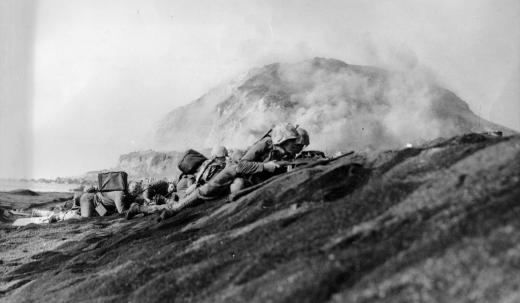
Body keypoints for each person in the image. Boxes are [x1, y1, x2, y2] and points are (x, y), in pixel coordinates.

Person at [126, 123, 307, 220]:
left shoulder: (278, 151)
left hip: (235, 180)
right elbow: (241, 166)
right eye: (293, 143)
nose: (295, 148)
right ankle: (143, 208)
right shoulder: (263, 146)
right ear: (283, 140)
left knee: (236, 186)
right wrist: (265, 167)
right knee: (192, 198)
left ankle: (149, 208)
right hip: (215, 182)